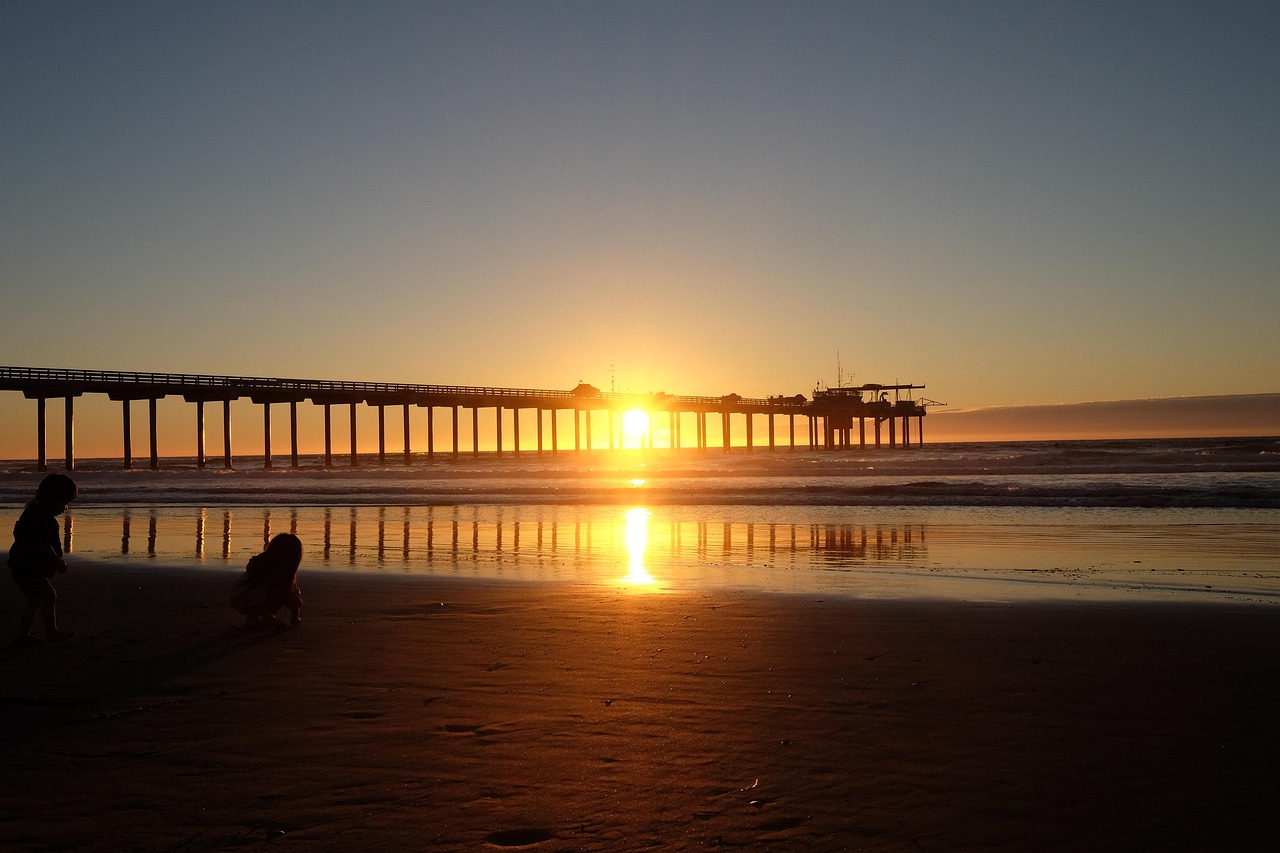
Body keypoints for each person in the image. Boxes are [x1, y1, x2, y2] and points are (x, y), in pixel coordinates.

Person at [8, 473, 78, 646]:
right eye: (64, 502)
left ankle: (24, 635)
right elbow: (42, 544)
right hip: (27, 567)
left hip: (27, 566)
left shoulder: (36, 513)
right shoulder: (39, 516)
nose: (65, 508)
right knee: (47, 595)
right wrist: (57, 561)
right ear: (52, 498)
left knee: (36, 600)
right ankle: (49, 632)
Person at [230, 533, 304, 629]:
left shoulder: (286, 572)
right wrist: (270, 618)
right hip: (242, 596)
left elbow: (294, 593)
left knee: (285, 590)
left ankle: (264, 617)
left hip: (255, 596)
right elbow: (256, 595)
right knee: (263, 594)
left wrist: (295, 615)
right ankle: (253, 618)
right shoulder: (263, 568)